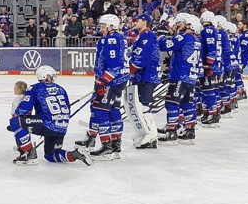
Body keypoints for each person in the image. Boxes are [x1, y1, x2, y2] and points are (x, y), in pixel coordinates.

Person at [11, 65, 91, 165]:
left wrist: (16, 117)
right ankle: (74, 154)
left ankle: (29, 154)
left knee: (15, 122)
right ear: (47, 76)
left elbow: (24, 108)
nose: (53, 77)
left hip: (46, 124)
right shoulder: (61, 89)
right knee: (51, 155)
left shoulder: (34, 88)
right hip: (62, 127)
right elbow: (67, 109)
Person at [81, 13, 126, 160]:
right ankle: (115, 147)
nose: (100, 29)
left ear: (111, 27)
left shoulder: (110, 40)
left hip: (111, 81)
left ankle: (107, 147)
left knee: (100, 111)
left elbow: (114, 65)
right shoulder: (120, 38)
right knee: (113, 110)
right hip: (118, 81)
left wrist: (102, 82)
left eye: (103, 26)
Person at [158, 13, 197, 142]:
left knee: (171, 103)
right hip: (191, 77)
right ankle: (189, 131)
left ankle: (171, 132)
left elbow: (165, 46)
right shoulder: (197, 40)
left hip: (180, 76)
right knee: (187, 104)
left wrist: (162, 37)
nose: (180, 24)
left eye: (183, 23)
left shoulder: (184, 37)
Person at [125, 14, 161, 149]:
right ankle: (144, 132)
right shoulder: (141, 35)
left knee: (144, 105)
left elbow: (141, 57)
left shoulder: (148, 35)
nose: (135, 22)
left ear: (145, 22)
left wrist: (130, 69)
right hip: (141, 76)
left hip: (147, 75)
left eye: (137, 20)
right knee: (139, 105)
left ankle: (152, 135)